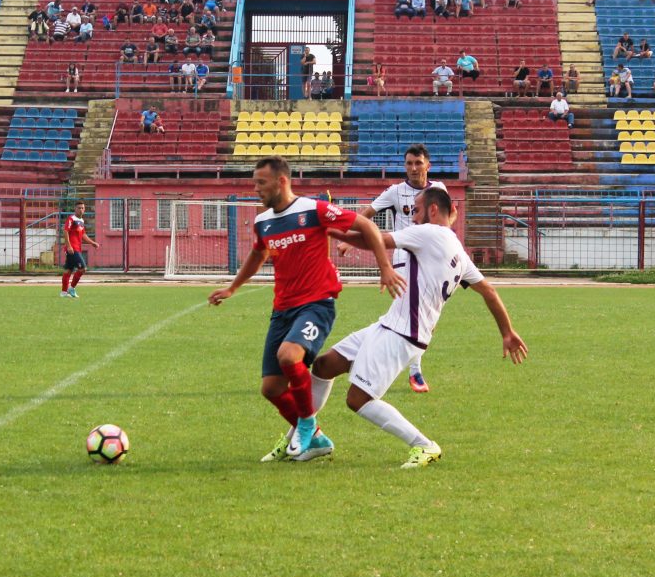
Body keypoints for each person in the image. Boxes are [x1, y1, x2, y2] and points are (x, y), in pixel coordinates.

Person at [208, 156, 403, 462]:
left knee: (289, 356)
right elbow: (258, 255)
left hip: (316, 304)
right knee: (271, 389)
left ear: (281, 181)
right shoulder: (263, 221)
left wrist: (385, 267)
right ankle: (315, 438)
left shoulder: (313, 209)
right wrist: (233, 287)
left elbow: (365, 224)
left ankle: (307, 426)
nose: (256, 188)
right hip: (282, 309)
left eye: (261, 182)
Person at [317, 187, 528, 468]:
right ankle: (306, 436)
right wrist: (507, 331)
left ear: (432, 210)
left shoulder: (430, 232)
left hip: (402, 333)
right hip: (390, 326)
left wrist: (329, 228)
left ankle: (424, 445)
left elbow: (375, 240)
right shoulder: (459, 253)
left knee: (358, 399)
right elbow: (489, 291)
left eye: (415, 210)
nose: (412, 217)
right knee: (324, 366)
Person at [337, 144, 448, 392]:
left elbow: (446, 219)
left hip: (432, 257)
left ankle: (360, 353)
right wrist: (347, 240)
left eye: (418, 163)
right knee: (408, 314)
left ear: (427, 165)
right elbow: (366, 214)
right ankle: (414, 371)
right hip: (404, 257)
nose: (413, 168)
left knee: (427, 316)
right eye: (408, 163)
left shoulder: (439, 189)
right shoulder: (396, 192)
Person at [60, 200, 99, 299]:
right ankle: (71, 288)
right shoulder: (71, 218)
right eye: (79, 208)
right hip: (72, 249)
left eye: (82, 208)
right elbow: (65, 231)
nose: (81, 210)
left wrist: (92, 243)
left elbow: (83, 235)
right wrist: (69, 246)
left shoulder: (81, 221)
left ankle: (64, 293)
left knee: (68, 271)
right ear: (75, 209)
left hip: (77, 248)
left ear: (84, 209)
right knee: (82, 269)